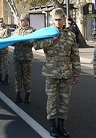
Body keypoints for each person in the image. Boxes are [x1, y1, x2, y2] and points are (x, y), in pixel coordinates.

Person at [33, 8, 80, 137]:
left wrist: (76, 73)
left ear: (64, 19)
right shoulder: (47, 33)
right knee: (51, 99)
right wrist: (51, 40)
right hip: (51, 72)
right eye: (55, 20)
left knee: (65, 100)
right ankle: (52, 125)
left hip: (66, 72)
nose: (58, 22)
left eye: (60, 19)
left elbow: (75, 55)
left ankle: (61, 125)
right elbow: (36, 45)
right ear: (52, 20)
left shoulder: (70, 35)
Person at [12, 13, 36, 103]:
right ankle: (18, 94)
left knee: (26, 77)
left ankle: (27, 95)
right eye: (20, 21)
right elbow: (12, 43)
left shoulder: (32, 30)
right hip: (17, 57)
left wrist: (22, 40)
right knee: (17, 77)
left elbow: (32, 42)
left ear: (27, 21)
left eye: (23, 20)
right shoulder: (17, 31)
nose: (21, 22)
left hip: (27, 57)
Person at [0, 17, 11, 85]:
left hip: (4, 50)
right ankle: (0, 77)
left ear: (3, 23)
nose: (0, 23)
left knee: (5, 64)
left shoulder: (6, 30)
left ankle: (6, 78)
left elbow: (7, 38)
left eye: (1, 22)